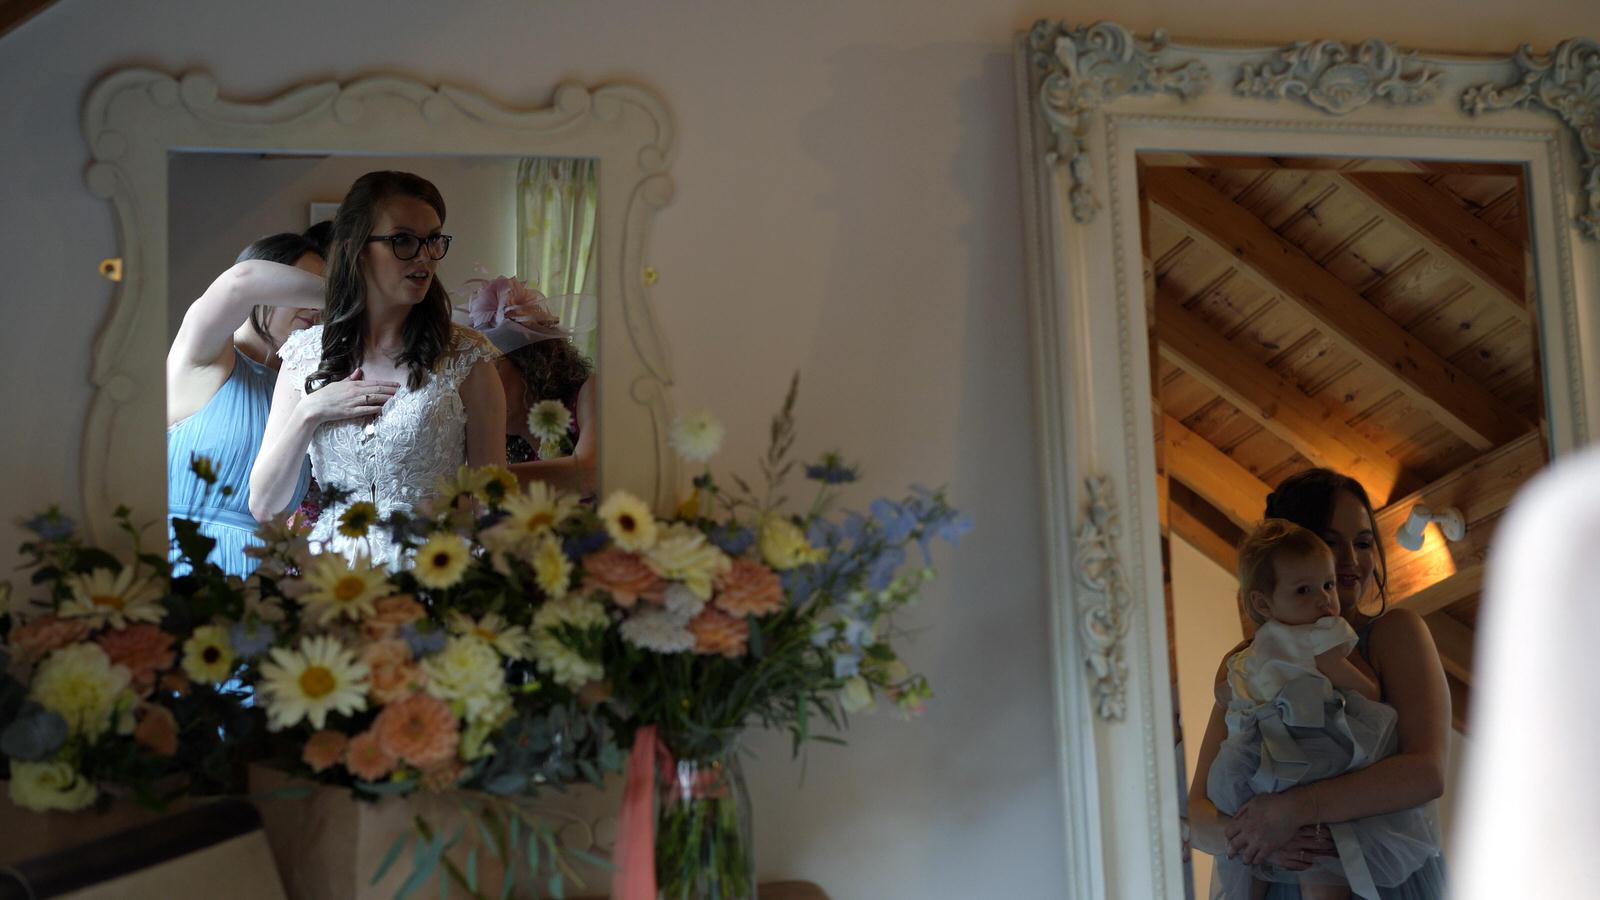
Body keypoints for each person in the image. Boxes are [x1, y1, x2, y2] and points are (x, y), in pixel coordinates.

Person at [1187, 468, 1450, 899]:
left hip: (1379, 878)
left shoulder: (1394, 633)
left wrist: (1294, 810)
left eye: (1363, 542)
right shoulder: (1250, 662)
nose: (1351, 559)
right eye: (1330, 542)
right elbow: (1200, 812)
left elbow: (1426, 772)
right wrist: (1260, 839)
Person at [249, 171, 505, 567]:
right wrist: (310, 412)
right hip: (335, 581)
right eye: (403, 240)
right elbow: (265, 506)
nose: (424, 256)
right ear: (356, 249)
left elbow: (494, 506)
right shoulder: (303, 355)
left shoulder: (467, 358)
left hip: (437, 577)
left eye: (433, 240)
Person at [166, 233, 325, 576]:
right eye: (304, 290)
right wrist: (363, 297)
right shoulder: (203, 356)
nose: (317, 306)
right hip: (185, 567)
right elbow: (240, 281)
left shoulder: (306, 392)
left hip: (264, 586)